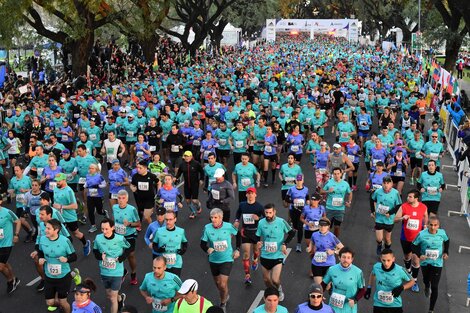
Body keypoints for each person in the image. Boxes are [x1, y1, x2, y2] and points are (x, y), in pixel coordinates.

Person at [390, 189, 428, 292]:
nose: (408, 198)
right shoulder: (404, 206)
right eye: (407, 196)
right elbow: (394, 219)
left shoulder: (423, 207)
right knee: (407, 257)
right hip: (405, 237)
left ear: (416, 198)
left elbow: (425, 218)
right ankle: (407, 268)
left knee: (416, 260)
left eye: (410, 197)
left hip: (418, 239)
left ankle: (414, 281)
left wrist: (425, 225)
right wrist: (402, 218)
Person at [200, 208, 239, 310]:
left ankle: (222, 303)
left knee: (222, 284)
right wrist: (207, 249)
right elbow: (202, 244)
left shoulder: (228, 226)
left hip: (227, 259)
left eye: (216, 218)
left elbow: (238, 234)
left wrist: (237, 249)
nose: (213, 220)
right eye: (212, 217)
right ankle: (225, 295)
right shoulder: (207, 228)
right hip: (213, 260)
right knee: (218, 284)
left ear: (221, 218)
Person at [256, 203, 296, 301]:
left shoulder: (281, 222)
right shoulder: (261, 223)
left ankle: (279, 289)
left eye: (270, 212)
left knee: (275, 279)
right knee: (266, 280)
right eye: (266, 213)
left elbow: (292, 233)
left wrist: (285, 244)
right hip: (265, 254)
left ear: (274, 212)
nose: (268, 215)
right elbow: (258, 235)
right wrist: (258, 242)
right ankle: (273, 291)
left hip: (278, 255)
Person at [38, 219, 78, 313]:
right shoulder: (42, 239)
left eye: (48, 228)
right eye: (45, 228)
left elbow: (74, 256)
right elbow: (40, 251)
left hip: (63, 277)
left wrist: (67, 259)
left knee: (63, 302)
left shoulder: (65, 241)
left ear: (56, 230)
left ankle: (73, 275)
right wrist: (40, 258)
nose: (45, 230)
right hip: (49, 276)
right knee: (50, 303)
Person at [411, 216, 449, 313]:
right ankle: (426, 286)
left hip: (437, 263)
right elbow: (413, 245)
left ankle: (431, 310)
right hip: (425, 262)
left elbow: (447, 240)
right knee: (426, 279)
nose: (433, 227)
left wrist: (446, 252)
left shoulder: (442, 233)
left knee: (435, 286)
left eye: (435, 225)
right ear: (427, 225)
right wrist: (420, 255)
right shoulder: (421, 234)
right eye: (431, 225)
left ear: (438, 226)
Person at [93, 218, 131, 313]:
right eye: (102, 229)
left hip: (117, 272)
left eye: (106, 229)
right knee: (109, 295)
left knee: (112, 299)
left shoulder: (120, 239)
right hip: (104, 271)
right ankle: (120, 298)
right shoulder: (98, 238)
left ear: (113, 228)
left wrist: (122, 257)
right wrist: (100, 256)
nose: (104, 231)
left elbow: (129, 247)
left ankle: (117, 302)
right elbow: (95, 250)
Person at [53, 173, 91, 256]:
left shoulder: (69, 191)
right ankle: (64, 252)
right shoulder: (55, 188)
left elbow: (75, 206)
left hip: (69, 217)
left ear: (64, 180)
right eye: (56, 181)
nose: (57, 183)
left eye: (59, 181)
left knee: (76, 233)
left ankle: (85, 244)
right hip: (59, 216)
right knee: (59, 234)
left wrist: (61, 207)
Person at [364, 249, 414, 313]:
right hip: (379, 304)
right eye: (383, 260)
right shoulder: (376, 267)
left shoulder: (400, 270)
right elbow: (372, 274)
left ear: (393, 259)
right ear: (380, 259)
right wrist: (369, 288)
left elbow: (412, 281)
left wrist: (402, 288)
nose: (386, 263)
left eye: (388, 260)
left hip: (395, 305)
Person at [233, 187, 264, 285]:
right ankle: (247, 276)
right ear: (246, 195)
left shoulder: (259, 206)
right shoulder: (242, 205)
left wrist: (258, 218)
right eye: (248, 193)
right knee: (246, 253)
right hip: (245, 232)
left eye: (252, 193)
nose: (250, 195)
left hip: (255, 233)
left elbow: (265, 218)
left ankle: (255, 260)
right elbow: (238, 213)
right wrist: (237, 220)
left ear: (255, 195)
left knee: (255, 251)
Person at [322, 247, 366, 313]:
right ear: (339, 258)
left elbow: (362, 290)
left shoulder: (358, 272)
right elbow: (323, 284)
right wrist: (320, 294)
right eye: (343, 257)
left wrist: (355, 300)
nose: (346, 260)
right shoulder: (332, 269)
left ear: (352, 259)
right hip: (334, 306)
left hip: (349, 306)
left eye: (348, 258)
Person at [112, 190, 141, 285]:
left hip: (129, 236)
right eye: (119, 198)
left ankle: (133, 273)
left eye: (123, 198)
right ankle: (123, 271)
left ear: (127, 199)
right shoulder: (114, 207)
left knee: (130, 255)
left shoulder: (132, 209)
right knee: (116, 255)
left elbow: (138, 223)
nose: (121, 200)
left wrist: (129, 224)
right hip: (117, 235)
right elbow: (113, 220)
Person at [371, 176, 402, 255]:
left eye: (388, 183)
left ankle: (386, 252)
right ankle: (379, 245)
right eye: (384, 183)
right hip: (379, 218)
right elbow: (372, 199)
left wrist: (390, 213)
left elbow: (398, 205)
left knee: (387, 239)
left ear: (391, 184)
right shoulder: (378, 191)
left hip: (389, 219)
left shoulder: (395, 193)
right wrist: (373, 211)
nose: (386, 185)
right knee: (379, 238)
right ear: (382, 183)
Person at [307, 218, 343, 284]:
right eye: (321, 226)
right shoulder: (314, 235)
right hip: (317, 263)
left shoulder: (332, 236)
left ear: (328, 227)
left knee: (327, 286)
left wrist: (333, 251)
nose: (322, 227)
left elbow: (342, 248)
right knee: (319, 286)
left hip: (329, 264)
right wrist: (310, 247)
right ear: (318, 226)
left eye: (324, 226)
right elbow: (312, 242)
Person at [152, 210, 188, 276]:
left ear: (175, 219)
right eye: (166, 220)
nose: (168, 222)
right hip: (162, 263)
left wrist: (183, 250)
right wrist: (158, 250)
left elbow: (185, 242)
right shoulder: (159, 231)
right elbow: (154, 244)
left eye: (170, 219)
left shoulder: (181, 231)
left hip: (176, 263)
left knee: (174, 283)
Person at [320, 167, 352, 237]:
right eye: (334, 174)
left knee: (337, 227)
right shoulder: (329, 182)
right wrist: (328, 191)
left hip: (340, 209)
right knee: (327, 227)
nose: (336, 175)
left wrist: (349, 202)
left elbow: (350, 193)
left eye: (338, 174)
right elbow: (321, 191)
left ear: (341, 174)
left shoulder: (345, 184)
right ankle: (326, 240)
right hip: (329, 208)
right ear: (332, 174)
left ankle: (335, 241)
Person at [0, 198, 21, 294]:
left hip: (6, 243)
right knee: (5, 263)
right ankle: (14, 279)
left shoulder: (7, 212)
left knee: (0, 266)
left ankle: (10, 281)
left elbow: (18, 221)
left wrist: (16, 234)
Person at [175, 150, 205, 218]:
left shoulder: (196, 163)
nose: (186, 158)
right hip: (186, 185)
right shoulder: (182, 165)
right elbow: (179, 173)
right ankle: (193, 212)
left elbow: (202, 172)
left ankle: (198, 205)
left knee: (194, 200)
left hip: (195, 184)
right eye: (185, 156)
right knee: (188, 200)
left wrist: (201, 179)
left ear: (191, 156)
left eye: (188, 156)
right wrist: (175, 177)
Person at [130, 160, 159, 225]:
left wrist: (158, 192)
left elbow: (159, 182)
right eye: (137, 168)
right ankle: (139, 224)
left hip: (149, 199)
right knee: (141, 212)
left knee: (146, 217)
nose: (138, 169)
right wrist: (132, 188)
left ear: (145, 168)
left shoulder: (151, 176)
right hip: (139, 198)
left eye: (140, 168)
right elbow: (132, 184)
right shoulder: (135, 176)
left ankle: (153, 228)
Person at [286, 174, 309, 252]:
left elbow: (307, 198)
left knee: (300, 227)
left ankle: (298, 244)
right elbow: (286, 199)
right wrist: (293, 201)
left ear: (303, 181)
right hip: (293, 210)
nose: (299, 182)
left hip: (302, 211)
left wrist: (308, 205)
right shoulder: (291, 189)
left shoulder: (306, 189)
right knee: (295, 226)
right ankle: (293, 230)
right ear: (295, 181)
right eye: (298, 180)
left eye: (300, 180)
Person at [84, 163, 107, 233]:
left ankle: (104, 213)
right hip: (90, 195)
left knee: (99, 211)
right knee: (90, 211)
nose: (91, 170)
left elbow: (104, 184)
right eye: (90, 168)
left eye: (92, 168)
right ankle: (93, 226)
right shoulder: (87, 176)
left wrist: (98, 186)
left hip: (98, 196)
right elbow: (86, 183)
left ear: (96, 169)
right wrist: (85, 186)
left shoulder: (100, 176)